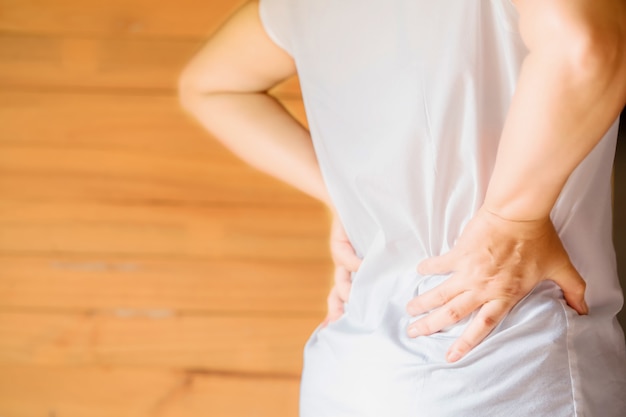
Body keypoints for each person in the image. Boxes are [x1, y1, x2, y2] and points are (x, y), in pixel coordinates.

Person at [179, 0, 626, 415]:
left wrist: (352, 193)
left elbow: (211, 87)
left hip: (350, 375)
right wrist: (512, 217)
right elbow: (584, 48)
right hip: (502, 363)